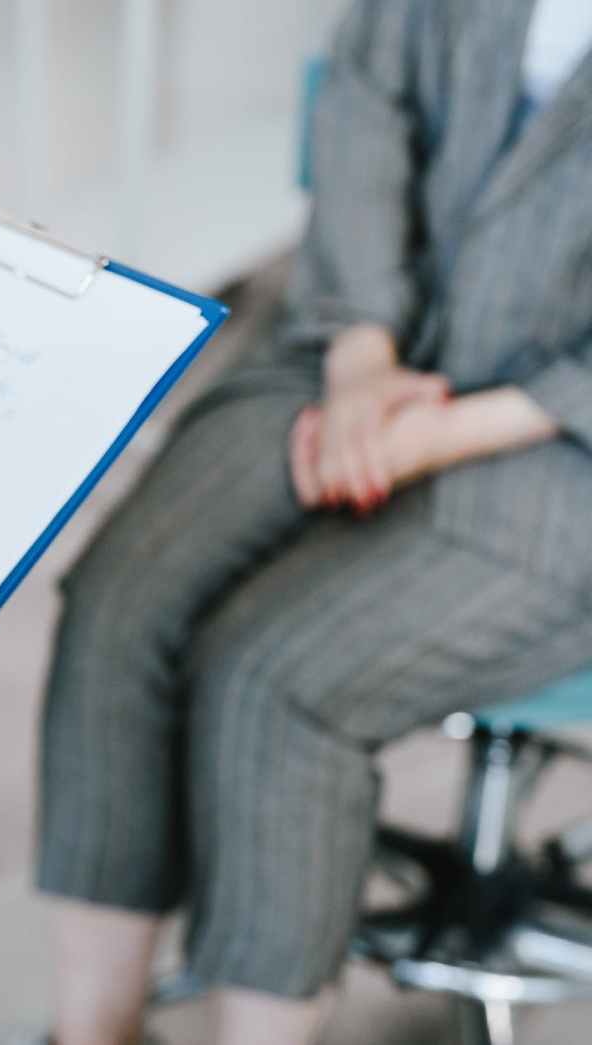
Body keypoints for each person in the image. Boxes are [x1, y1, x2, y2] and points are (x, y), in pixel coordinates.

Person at [36, 0, 592, 1042]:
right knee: (120, 601)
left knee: (274, 677)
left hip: (560, 438)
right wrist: (361, 356)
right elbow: (362, 113)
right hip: (359, 339)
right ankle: (91, 1030)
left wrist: (438, 430)